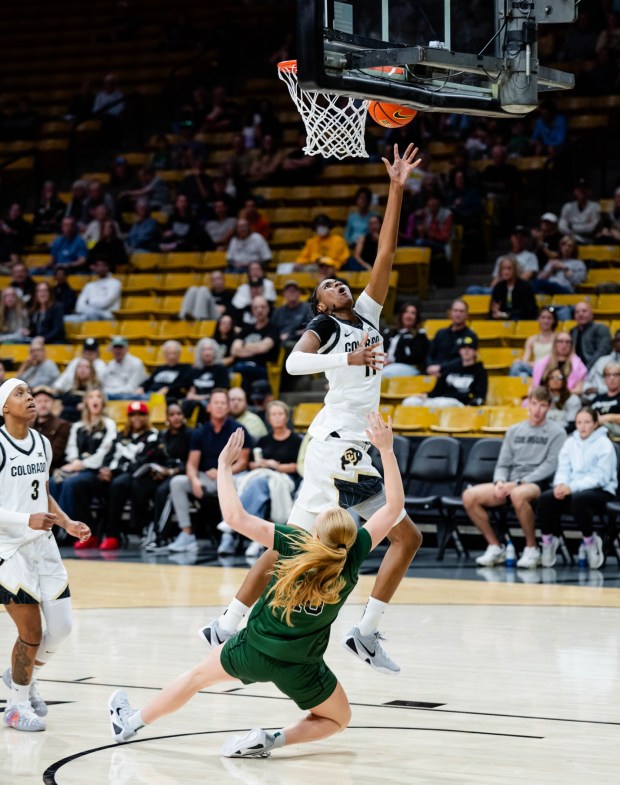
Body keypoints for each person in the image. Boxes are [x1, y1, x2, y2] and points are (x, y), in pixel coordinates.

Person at [201, 144, 422, 675]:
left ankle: (227, 623)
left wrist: (396, 189)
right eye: (329, 285)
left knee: (289, 546)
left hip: (340, 442)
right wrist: (346, 354)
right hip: (341, 444)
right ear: (321, 304)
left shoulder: (366, 315)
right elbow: (293, 366)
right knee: (405, 536)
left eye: (341, 280)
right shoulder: (327, 327)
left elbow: (385, 256)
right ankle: (365, 632)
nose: (339, 283)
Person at [107, 413, 403, 757]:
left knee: (195, 679)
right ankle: (272, 740)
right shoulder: (354, 555)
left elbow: (234, 517)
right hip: (302, 666)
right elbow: (394, 505)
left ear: (318, 532)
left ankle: (129, 722)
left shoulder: (294, 542)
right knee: (338, 719)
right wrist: (386, 450)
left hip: (253, 650)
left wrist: (224, 466)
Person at [0, 378, 90, 733]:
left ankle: (19, 676)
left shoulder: (41, 443)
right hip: (8, 549)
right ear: (5, 407)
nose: (30, 397)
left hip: (44, 544)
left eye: (30, 392)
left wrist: (66, 522)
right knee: (32, 632)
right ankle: (15, 706)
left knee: (63, 628)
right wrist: (26, 520)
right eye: (19, 394)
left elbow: (43, 492)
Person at [463, 387, 566, 570]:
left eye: (542, 405)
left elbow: (550, 466)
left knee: (518, 494)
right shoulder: (514, 430)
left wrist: (518, 483)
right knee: (469, 495)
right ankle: (495, 546)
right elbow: (503, 463)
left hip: (538, 483)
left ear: (549, 407)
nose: (537, 410)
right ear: (528, 404)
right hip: (511, 482)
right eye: (534, 404)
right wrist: (500, 482)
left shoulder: (557, 432)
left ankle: (532, 548)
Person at [166, 389, 251, 553]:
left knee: (230, 487)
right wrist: (195, 480)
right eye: (216, 403)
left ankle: (228, 537)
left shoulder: (238, 429)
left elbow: (242, 463)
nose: (219, 406)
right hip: (206, 476)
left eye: (223, 403)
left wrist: (222, 472)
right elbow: (191, 464)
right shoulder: (200, 432)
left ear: (228, 407)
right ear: (209, 407)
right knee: (177, 482)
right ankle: (187, 535)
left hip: (229, 476)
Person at [219, 400, 303, 558]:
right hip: (264, 475)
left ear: (286, 417)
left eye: (280, 414)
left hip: (286, 478)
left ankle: (233, 520)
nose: (277, 418)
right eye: (273, 414)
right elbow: (250, 463)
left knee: (260, 483)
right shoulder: (264, 440)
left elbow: (297, 466)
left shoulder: (296, 440)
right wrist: (261, 464)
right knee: (260, 484)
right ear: (268, 418)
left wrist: (275, 466)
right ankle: (257, 540)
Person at [537, 407, 617, 569]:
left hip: (601, 491)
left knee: (579, 499)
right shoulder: (570, 442)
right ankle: (548, 542)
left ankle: (590, 542)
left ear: (595, 424)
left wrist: (571, 488)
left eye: (587, 422)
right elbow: (563, 469)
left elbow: (600, 477)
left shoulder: (604, 444)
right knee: (546, 498)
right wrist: (560, 485)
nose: (582, 426)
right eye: (579, 422)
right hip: (571, 489)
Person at [50, 389, 117, 544]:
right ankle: (54, 530)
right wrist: (74, 462)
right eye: (91, 397)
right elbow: (71, 448)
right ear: (86, 402)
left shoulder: (109, 424)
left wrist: (82, 464)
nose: (95, 400)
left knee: (72, 484)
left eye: (98, 396)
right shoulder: (78, 426)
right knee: (53, 481)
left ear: (103, 402)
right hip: (77, 468)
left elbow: (106, 450)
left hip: (95, 471)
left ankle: (83, 531)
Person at [95, 401, 159, 551]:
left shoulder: (153, 435)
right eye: (133, 415)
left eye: (141, 414)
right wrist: (105, 470)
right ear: (128, 417)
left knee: (118, 485)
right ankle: (98, 532)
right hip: (118, 474)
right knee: (97, 484)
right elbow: (110, 456)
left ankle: (113, 534)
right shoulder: (121, 435)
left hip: (139, 476)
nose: (137, 418)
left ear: (147, 417)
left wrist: (115, 470)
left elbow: (142, 462)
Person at [137, 402, 194, 552]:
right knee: (140, 484)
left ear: (183, 416)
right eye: (172, 414)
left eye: (179, 414)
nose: (176, 417)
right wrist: (156, 470)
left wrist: (171, 471)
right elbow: (157, 457)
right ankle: (143, 529)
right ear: (167, 418)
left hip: (182, 474)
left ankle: (159, 535)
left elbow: (192, 462)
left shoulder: (191, 434)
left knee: (163, 492)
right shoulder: (163, 435)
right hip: (164, 473)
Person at [403, 334, 487, 407]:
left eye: (470, 348)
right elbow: (437, 390)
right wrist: (425, 395)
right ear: (459, 351)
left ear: (475, 351)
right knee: (410, 402)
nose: (466, 351)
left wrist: (472, 405)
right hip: (440, 400)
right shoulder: (451, 367)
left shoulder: (479, 371)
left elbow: (479, 395)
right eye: (463, 348)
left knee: (431, 405)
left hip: (459, 403)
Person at [229, 296, 280, 393]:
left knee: (239, 368)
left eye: (262, 307)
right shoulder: (247, 329)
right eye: (256, 308)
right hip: (243, 365)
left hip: (262, 367)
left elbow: (263, 348)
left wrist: (244, 346)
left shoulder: (273, 329)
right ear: (252, 310)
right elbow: (234, 350)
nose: (259, 310)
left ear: (268, 309)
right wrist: (256, 348)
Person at [182, 338, 230, 422]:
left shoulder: (220, 369)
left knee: (203, 405)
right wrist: (191, 391)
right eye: (204, 349)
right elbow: (188, 387)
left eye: (210, 349)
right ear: (200, 353)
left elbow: (221, 392)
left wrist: (198, 397)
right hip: (194, 402)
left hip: (211, 400)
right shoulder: (194, 369)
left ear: (215, 352)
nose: (207, 352)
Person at [426, 299, 477, 376]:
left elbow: (465, 359)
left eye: (461, 311)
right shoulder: (440, 333)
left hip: (456, 374)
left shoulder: (470, 336)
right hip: (434, 373)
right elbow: (429, 354)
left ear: (466, 315)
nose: (458, 314)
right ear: (450, 313)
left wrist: (440, 368)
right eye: (455, 311)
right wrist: (430, 367)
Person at [382, 302, 429, 379]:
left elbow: (418, 357)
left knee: (384, 374)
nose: (409, 315)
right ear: (401, 315)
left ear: (417, 318)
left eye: (413, 313)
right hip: (386, 365)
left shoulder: (420, 336)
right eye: (406, 312)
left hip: (409, 366)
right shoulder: (389, 332)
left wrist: (393, 360)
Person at [64, 258, 121, 322]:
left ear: (107, 267)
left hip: (107, 316)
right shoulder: (89, 285)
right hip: (87, 315)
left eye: (103, 265)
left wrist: (89, 303)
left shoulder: (115, 283)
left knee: (92, 313)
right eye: (97, 266)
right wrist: (90, 307)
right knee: (63, 319)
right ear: (94, 267)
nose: (100, 268)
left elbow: (105, 303)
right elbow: (79, 307)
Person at [509, 306, 558, 378]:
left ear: (553, 320)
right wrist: (525, 363)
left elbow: (554, 361)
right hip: (534, 369)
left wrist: (531, 364)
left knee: (517, 366)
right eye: (543, 318)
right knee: (522, 375)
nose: (546, 321)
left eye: (549, 318)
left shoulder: (558, 338)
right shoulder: (532, 339)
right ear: (539, 320)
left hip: (549, 369)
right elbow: (525, 360)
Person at [31, 386, 71, 471]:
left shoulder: (63, 424)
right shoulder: (29, 425)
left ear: (52, 402)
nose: (43, 404)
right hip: (31, 468)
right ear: (33, 404)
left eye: (46, 401)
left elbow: (54, 454)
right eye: (39, 401)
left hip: (51, 470)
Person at [489, 256, 538, 322]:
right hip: (504, 318)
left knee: (515, 319)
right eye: (503, 269)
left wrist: (505, 314)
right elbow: (494, 308)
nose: (506, 272)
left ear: (515, 270)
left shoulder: (525, 286)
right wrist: (495, 311)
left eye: (509, 269)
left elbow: (528, 310)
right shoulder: (499, 287)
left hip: (523, 319)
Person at [570, 301, 612, 370]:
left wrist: (586, 369)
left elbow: (602, 352)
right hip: (576, 369)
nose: (580, 314)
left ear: (591, 314)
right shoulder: (573, 331)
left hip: (597, 368)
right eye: (577, 312)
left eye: (584, 311)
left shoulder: (601, 329)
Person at [271, 280, 311, 351]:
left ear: (299, 293)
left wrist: (291, 335)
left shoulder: (307, 308)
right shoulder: (278, 311)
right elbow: (273, 329)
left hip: (300, 340)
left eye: (294, 290)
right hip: (280, 342)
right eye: (288, 291)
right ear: (284, 294)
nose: (291, 293)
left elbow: (311, 327)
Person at [558, 179, 601, 244]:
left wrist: (572, 226)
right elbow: (561, 227)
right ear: (574, 191)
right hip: (571, 241)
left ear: (589, 191)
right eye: (579, 188)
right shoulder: (567, 207)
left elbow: (591, 229)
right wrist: (585, 224)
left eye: (584, 188)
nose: (582, 190)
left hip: (589, 242)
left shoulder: (595, 207)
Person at [59, 358, 102, 423]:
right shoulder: (71, 391)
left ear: (92, 371)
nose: (83, 369)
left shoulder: (97, 390)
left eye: (87, 367)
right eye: (80, 366)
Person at [585, 331, 620, 398]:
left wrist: (599, 390)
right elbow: (588, 380)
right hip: (596, 399)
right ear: (613, 343)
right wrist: (587, 389)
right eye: (618, 340)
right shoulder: (602, 361)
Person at [591, 362, 620, 440]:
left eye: (616, 375)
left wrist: (608, 417)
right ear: (604, 379)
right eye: (608, 375)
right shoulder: (596, 399)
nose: (612, 378)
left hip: (616, 437)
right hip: (595, 437)